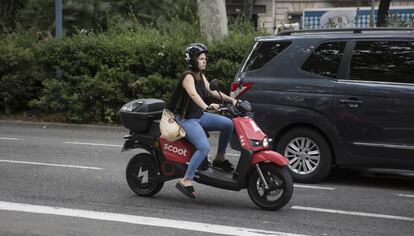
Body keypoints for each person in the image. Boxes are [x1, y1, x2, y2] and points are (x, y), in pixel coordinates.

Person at [167, 43, 237, 199]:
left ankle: (220, 158)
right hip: (186, 120)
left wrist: (232, 100)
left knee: (228, 124)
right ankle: (186, 180)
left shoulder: (200, 75)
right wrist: (206, 107)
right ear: (192, 60)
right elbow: (193, 94)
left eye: (205, 58)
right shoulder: (188, 76)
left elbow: (211, 91)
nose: (204, 61)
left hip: (198, 116)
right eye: (201, 58)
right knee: (203, 147)